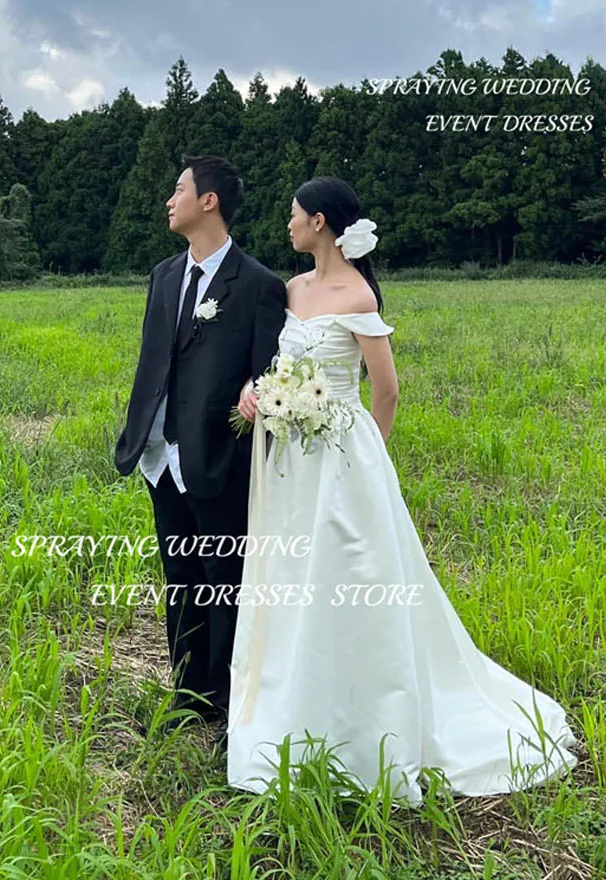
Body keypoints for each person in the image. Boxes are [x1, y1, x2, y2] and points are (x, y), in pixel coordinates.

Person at [227, 176, 578, 805]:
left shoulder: (357, 292)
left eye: (296, 214)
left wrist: (363, 462)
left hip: (340, 458)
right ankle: (288, 708)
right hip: (288, 461)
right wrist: (260, 394)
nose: (288, 223)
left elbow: (384, 392)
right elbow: (280, 365)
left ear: (323, 224)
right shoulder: (292, 289)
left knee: (345, 579)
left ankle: (364, 723)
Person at [115, 154, 287, 751]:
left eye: (179, 188)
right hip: (160, 457)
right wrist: (140, 434)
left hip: (216, 458)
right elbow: (152, 363)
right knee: (180, 577)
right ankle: (187, 695)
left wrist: (251, 390)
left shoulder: (260, 285)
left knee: (224, 580)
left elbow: (269, 374)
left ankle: (228, 702)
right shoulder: (164, 276)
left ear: (208, 201)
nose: (170, 198)